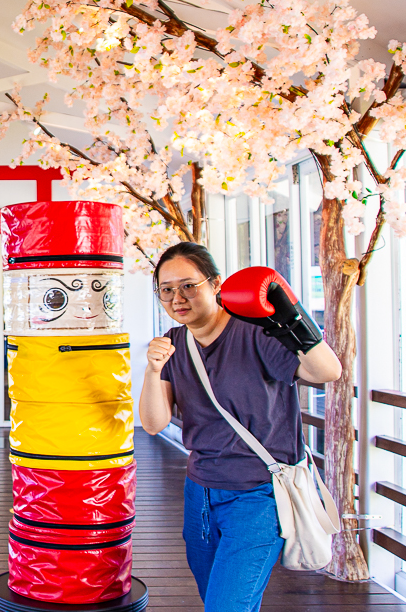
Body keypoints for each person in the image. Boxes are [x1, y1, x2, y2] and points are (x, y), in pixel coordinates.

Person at [139, 242, 342, 612]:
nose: (177, 297)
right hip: (199, 492)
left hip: (257, 496)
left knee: (227, 605)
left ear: (216, 284)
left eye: (188, 285)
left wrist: (293, 317)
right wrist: (153, 371)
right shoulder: (172, 344)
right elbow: (153, 424)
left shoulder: (255, 333)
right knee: (216, 599)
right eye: (166, 289)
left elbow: (328, 372)